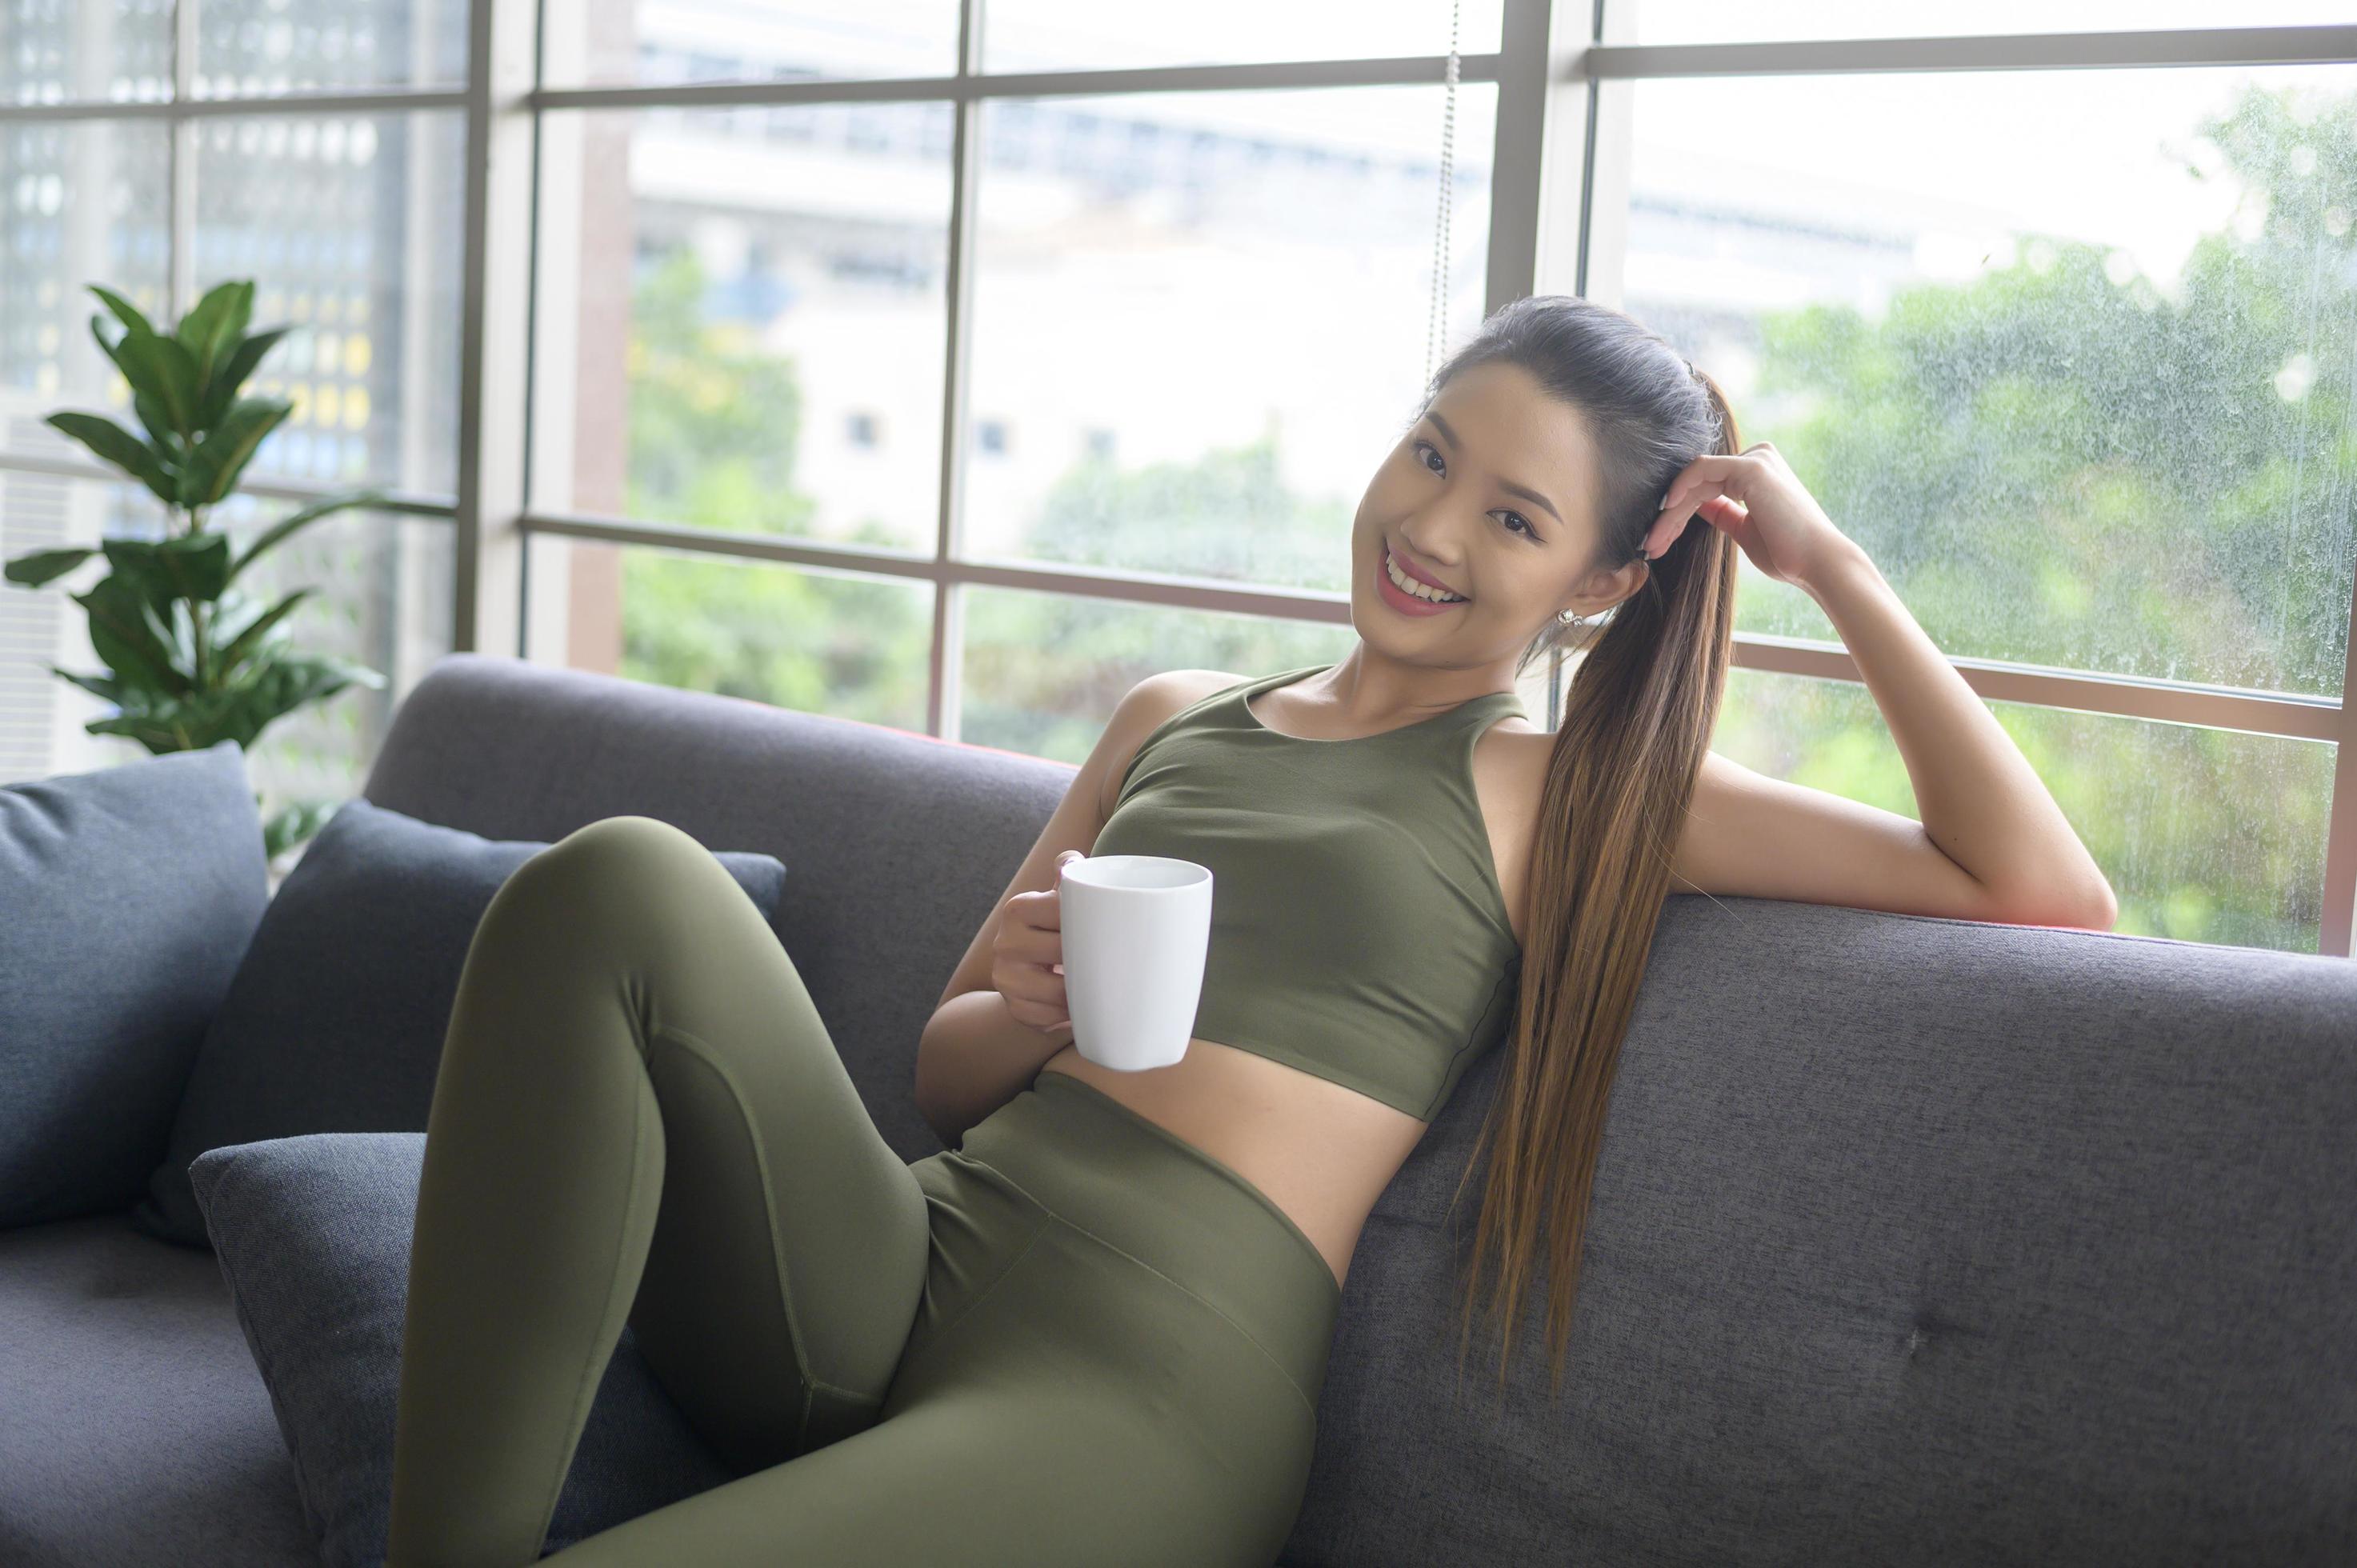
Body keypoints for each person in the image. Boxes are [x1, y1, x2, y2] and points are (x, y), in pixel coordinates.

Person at [384, 294, 2115, 1567]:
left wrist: (1830, 567)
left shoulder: (1552, 785)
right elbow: (946, 1069)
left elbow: (2038, 884)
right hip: (905, 1259)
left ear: (1597, 581)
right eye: (1430, 451)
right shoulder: (1174, 713)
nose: (1431, 527)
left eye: (1513, 515)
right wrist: (1036, 1002)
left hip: (1138, 1387)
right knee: (614, 875)